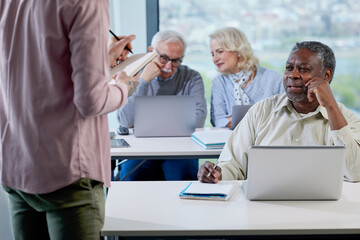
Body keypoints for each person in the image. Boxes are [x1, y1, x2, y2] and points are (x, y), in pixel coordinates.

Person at [0, 1, 137, 239]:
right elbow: (92, 101)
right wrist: (125, 86)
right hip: (67, 169)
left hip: (16, 163)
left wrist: (99, 62)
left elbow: (36, 70)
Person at [198, 41, 360, 183]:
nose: (292, 75)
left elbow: (355, 173)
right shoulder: (261, 111)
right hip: (263, 208)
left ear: (326, 75)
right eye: (289, 68)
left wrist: (331, 107)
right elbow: (233, 164)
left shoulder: (347, 118)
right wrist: (217, 174)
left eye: (303, 69)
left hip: (327, 211)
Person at [117, 30, 207, 181]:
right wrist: (144, 81)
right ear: (151, 52)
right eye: (163, 58)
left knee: (182, 176)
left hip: (180, 149)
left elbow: (198, 120)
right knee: (131, 177)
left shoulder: (192, 77)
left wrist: (147, 122)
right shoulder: (133, 74)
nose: (168, 67)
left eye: (176, 61)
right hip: (141, 148)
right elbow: (125, 121)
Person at [209, 27, 284, 128]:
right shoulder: (219, 82)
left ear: (237, 50)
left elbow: (284, 116)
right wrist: (261, 117)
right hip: (232, 141)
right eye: (212, 54)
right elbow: (218, 121)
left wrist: (233, 119)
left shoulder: (274, 78)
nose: (215, 59)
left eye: (220, 51)